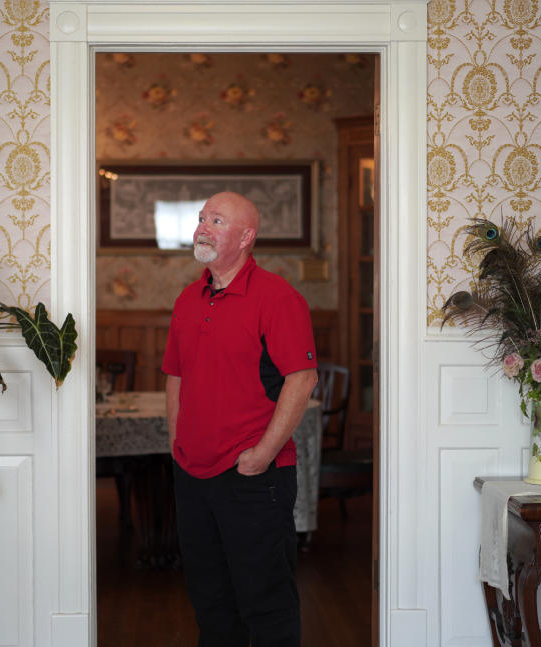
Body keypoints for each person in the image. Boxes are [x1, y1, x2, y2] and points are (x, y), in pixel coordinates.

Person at [162, 191, 318, 646]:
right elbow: (175, 378)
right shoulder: (188, 299)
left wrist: (263, 454)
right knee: (210, 604)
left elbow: (302, 379)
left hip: (253, 477)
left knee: (266, 604)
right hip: (192, 474)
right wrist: (178, 445)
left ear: (247, 236)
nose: (203, 227)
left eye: (217, 220)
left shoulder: (278, 297)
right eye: (201, 218)